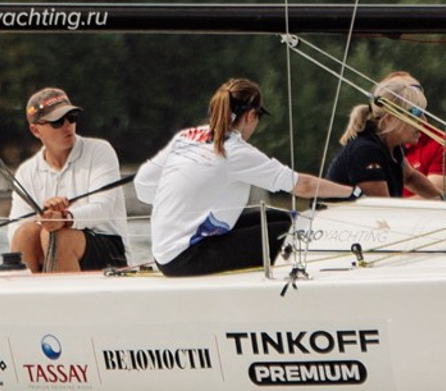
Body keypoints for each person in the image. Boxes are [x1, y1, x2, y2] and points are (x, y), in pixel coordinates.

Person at [136, 75, 357, 276]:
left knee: (284, 218)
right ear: (251, 115)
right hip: (186, 257)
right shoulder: (237, 152)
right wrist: (354, 193)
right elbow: (304, 186)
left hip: (167, 251)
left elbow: (143, 184)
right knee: (291, 232)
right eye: (259, 116)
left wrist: (180, 204)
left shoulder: (185, 137)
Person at [4, 85, 127, 272]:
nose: (67, 125)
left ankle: (61, 298)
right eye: (57, 122)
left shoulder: (100, 151)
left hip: (110, 249)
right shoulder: (25, 172)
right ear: (36, 131)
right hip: (51, 244)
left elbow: (103, 207)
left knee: (55, 236)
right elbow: (14, 231)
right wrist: (45, 218)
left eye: (72, 117)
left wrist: (65, 218)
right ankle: (30, 298)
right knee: (25, 234)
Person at [329, 73, 446, 200]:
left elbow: (411, 178)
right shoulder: (366, 151)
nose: (424, 121)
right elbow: (385, 210)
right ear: (390, 119)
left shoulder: (391, 148)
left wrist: (445, 199)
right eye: (417, 114)